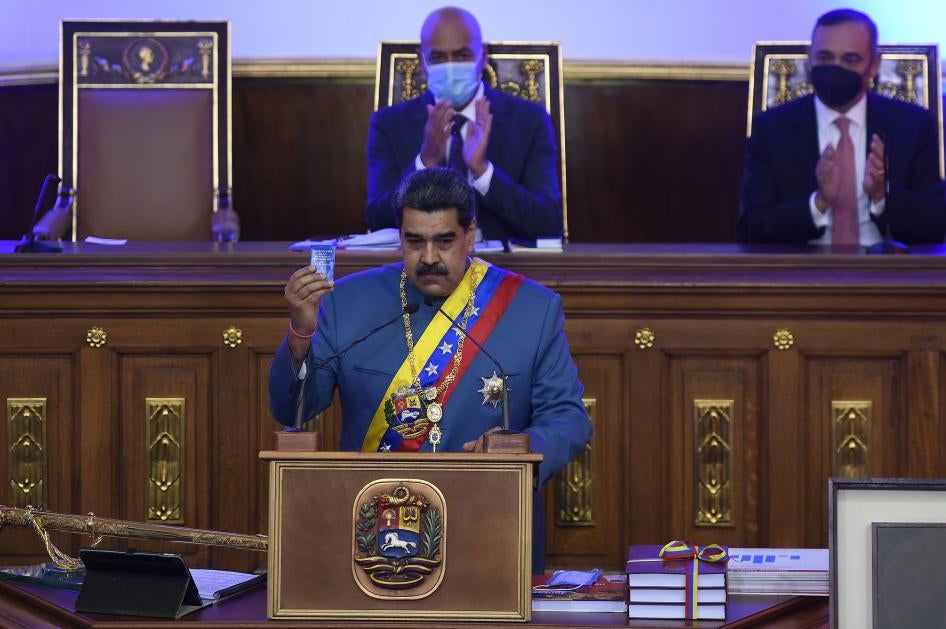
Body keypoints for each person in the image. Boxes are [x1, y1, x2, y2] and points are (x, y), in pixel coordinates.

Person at [270, 167, 591, 572]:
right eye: (414, 242)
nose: (428, 259)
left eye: (444, 241)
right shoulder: (348, 302)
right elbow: (291, 408)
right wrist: (301, 331)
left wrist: (518, 454)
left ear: (470, 234)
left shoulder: (530, 309)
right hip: (374, 536)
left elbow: (568, 417)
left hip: (491, 524)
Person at [739, 8, 946, 246]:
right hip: (802, 273)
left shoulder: (912, 125)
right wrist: (819, 203)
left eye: (850, 60)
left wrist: (882, 194)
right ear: (810, 57)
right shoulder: (772, 129)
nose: (835, 69)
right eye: (825, 58)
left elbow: (936, 224)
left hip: (884, 272)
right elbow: (750, 228)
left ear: (874, 65)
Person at [366, 6, 563, 242]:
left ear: (484, 56)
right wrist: (424, 163)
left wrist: (483, 172)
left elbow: (549, 223)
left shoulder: (530, 120)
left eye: (462, 56)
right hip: (419, 271)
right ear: (421, 61)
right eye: (438, 58)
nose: (450, 67)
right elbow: (376, 221)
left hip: (503, 271)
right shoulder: (389, 124)